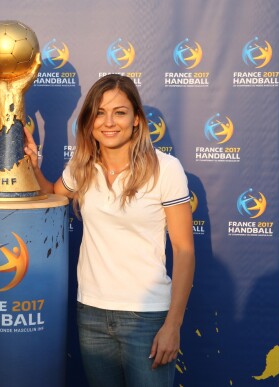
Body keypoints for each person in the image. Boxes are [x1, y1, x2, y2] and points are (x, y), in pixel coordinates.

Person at [24, 74, 195, 387]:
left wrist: (173, 324)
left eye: (120, 112)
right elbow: (52, 196)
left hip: (146, 317)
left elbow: (184, 251)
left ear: (136, 120)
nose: (109, 122)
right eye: (100, 113)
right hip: (91, 313)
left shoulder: (166, 168)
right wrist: (34, 166)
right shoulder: (83, 166)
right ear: (89, 122)